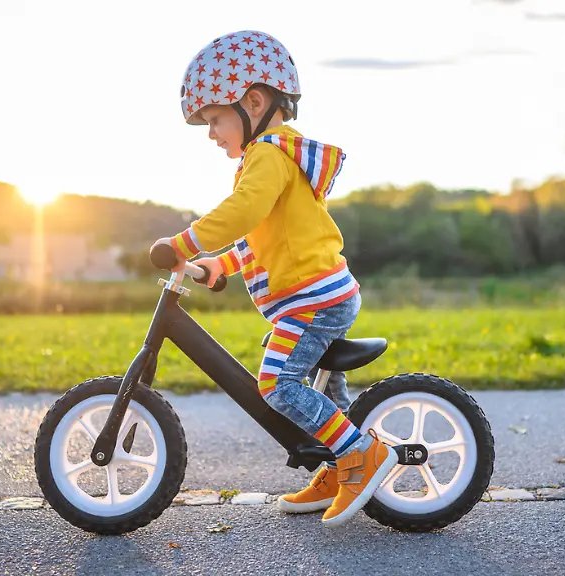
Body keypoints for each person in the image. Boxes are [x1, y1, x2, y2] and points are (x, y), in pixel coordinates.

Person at [151, 30, 396, 527]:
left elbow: (242, 213)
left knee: (278, 383)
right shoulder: (269, 157)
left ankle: (360, 456)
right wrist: (219, 266)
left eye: (214, 118)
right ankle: (335, 466)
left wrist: (184, 244)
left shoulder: (268, 154)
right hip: (316, 296)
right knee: (325, 392)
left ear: (254, 101)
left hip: (314, 300)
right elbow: (263, 236)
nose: (211, 132)